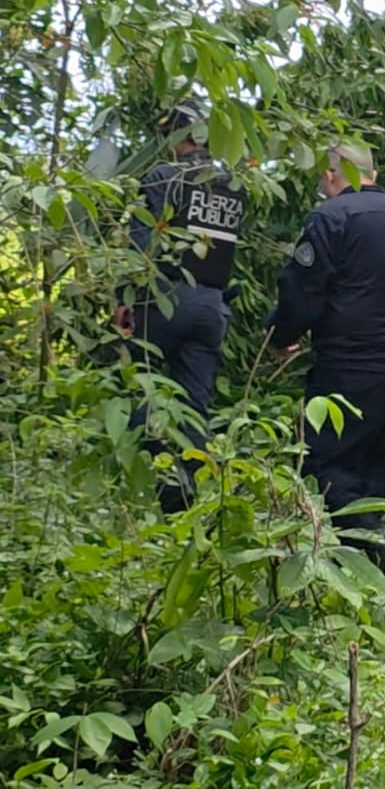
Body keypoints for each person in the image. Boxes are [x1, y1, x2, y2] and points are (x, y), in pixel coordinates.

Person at [265, 143, 385, 592]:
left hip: (349, 367)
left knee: (324, 464)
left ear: (334, 174)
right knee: (375, 469)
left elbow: (302, 290)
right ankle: (371, 577)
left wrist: (281, 336)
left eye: (323, 176)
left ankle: (380, 546)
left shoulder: (331, 219)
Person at [120, 96, 247, 514]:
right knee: (195, 402)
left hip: (163, 299)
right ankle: (189, 487)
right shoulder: (231, 183)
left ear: (179, 135)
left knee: (147, 388)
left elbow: (142, 246)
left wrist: (126, 300)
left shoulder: (162, 177)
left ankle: (150, 482)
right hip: (211, 305)